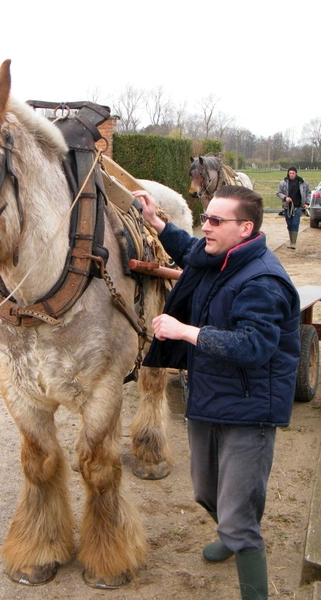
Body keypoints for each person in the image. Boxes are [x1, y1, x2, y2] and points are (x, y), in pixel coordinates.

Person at [132, 185, 300, 600]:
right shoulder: (220, 255)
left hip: (250, 409)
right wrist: (158, 223)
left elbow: (253, 347)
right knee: (206, 491)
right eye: (205, 217)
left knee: (240, 518)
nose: (205, 226)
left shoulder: (262, 281)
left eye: (214, 220)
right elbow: (191, 248)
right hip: (209, 398)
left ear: (245, 228)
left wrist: (185, 331)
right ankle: (229, 531)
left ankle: (243, 556)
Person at [276, 166, 310, 249]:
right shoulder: (283, 183)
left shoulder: (303, 182)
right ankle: (291, 240)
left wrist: (307, 203)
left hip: (297, 207)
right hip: (287, 207)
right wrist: (285, 198)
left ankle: (293, 243)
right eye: (290, 173)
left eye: (293, 173)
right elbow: (278, 193)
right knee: (289, 224)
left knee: (295, 223)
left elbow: (308, 193)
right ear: (288, 173)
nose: (291, 175)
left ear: (296, 173)